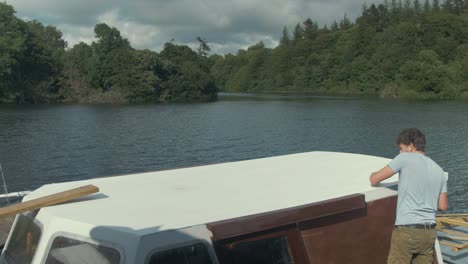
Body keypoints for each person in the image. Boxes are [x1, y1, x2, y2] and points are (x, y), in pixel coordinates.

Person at [369, 128, 448, 264]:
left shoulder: (404, 158)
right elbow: (443, 206)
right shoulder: (439, 171)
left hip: (407, 229)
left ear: (411, 146)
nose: (399, 152)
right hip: (428, 232)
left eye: (401, 148)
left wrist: (371, 175)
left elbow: (375, 179)